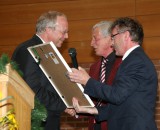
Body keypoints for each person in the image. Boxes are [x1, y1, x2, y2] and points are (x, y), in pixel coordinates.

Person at [68, 17, 158, 130]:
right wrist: (87, 110)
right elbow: (121, 105)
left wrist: (87, 81)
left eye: (113, 36)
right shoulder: (132, 60)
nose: (112, 41)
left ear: (125, 35)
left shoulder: (136, 61)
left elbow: (116, 95)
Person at [11, 11, 69, 130]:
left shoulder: (47, 51)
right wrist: (64, 105)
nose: (66, 36)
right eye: (63, 32)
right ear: (48, 29)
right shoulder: (28, 50)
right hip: (35, 123)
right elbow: (31, 90)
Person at [87, 21, 121, 130]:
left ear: (110, 39)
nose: (91, 44)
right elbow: (94, 101)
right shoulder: (94, 67)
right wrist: (77, 110)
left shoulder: (124, 64)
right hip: (95, 125)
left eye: (95, 38)